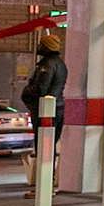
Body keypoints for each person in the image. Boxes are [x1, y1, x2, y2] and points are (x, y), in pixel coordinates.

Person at [21, 33, 67, 193]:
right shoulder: (61, 64)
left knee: (44, 148)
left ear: (46, 47)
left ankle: (45, 186)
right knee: (49, 147)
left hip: (45, 111)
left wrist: (26, 92)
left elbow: (40, 88)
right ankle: (47, 184)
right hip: (58, 108)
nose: (39, 47)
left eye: (41, 44)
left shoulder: (46, 65)